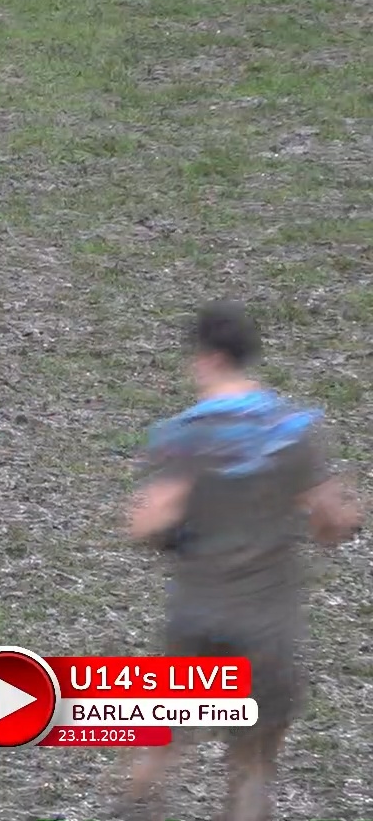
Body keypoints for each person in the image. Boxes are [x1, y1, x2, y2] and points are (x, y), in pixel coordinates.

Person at [117, 300, 360, 821]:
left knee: (164, 739)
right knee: (252, 764)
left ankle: (135, 803)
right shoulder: (293, 431)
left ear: (207, 357)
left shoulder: (183, 436)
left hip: (197, 613)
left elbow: (148, 522)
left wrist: (175, 534)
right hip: (266, 623)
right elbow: (332, 521)